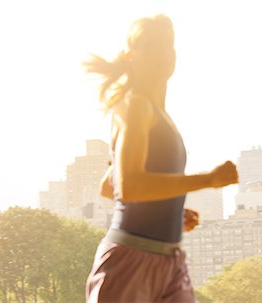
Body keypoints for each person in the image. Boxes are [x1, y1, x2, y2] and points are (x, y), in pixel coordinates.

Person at [84, 14, 238, 303]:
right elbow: (129, 188)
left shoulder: (160, 114)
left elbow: (109, 185)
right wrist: (209, 179)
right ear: (131, 56)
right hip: (129, 262)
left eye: (168, 45)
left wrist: (169, 212)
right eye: (151, 46)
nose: (163, 53)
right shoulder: (135, 106)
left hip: (170, 262)